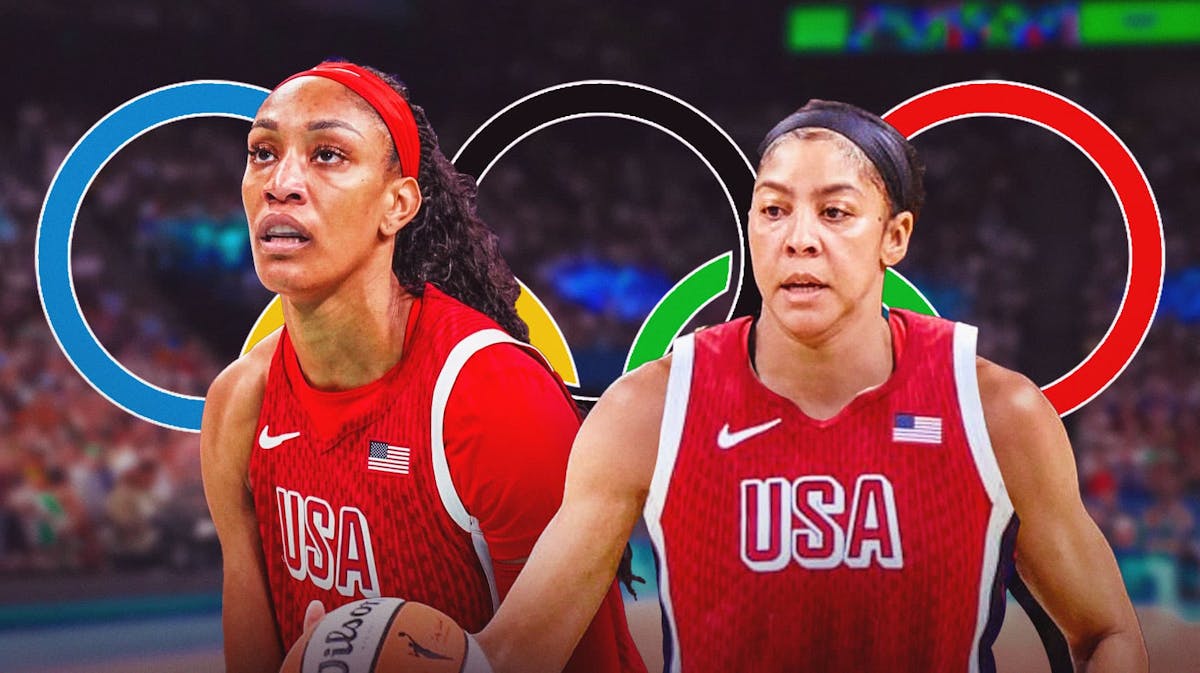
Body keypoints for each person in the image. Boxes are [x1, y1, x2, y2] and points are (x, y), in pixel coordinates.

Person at [475, 100, 1148, 672]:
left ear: (895, 236)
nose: (798, 238)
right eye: (773, 210)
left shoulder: (997, 410)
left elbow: (1106, 631)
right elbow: (516, 655)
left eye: (835, 212)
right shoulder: (647, 411)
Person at [200, 60, 645, 673]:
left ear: (398, 204)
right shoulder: (239, 403)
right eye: (262, 153)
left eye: (328, 154)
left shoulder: (490, 393)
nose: (282, 182)